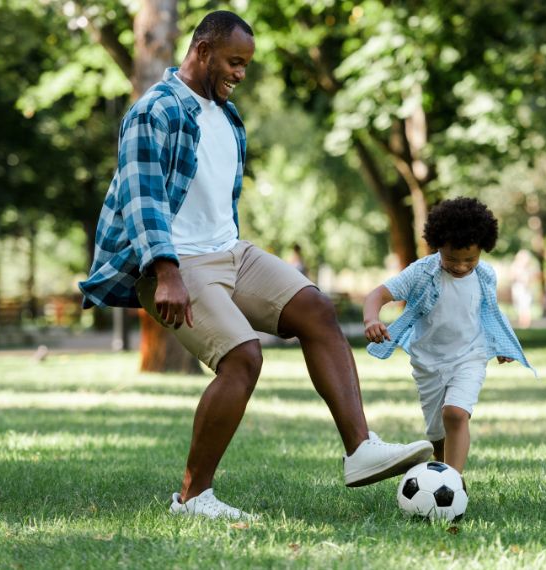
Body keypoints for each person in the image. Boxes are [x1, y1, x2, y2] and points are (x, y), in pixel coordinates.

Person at [78, 11, 432, 520]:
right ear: (202, 51)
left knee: (316, 309)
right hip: (176, 263)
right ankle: (192, 498)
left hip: (229, 251)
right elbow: (143, 199)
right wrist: (167, 272)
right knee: (243, 358)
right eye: (234, 61)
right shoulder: (154, 110)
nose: (241, 73)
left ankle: (360, 450)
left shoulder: (226, 114)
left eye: (245, 64)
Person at [362, 197, 536, 473]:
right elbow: (378, 295)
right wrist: (372, 318)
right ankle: (441, 476)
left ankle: (454, 483)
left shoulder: (485, 275)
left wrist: (501, 343)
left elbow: (489, 311)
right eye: (452, 258)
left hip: (470, 356)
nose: (462, 266)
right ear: (438, 244)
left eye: (470, 259)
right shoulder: (421, 272)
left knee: (455, 414)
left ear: (482, 249)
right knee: (437, 437)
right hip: (428, 362)